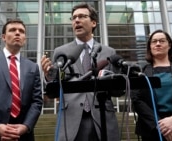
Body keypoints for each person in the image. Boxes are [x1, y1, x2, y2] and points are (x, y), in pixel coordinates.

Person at [41, 3, 120, 141]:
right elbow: (53, 91)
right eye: (74, 17)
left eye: (82, 16)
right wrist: (48, 76)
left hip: (102, 118)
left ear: (93, 22)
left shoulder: (109, 52)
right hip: (71, 119)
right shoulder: (61, 52)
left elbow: (117, 91)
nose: (76, 20)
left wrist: (117, 78)